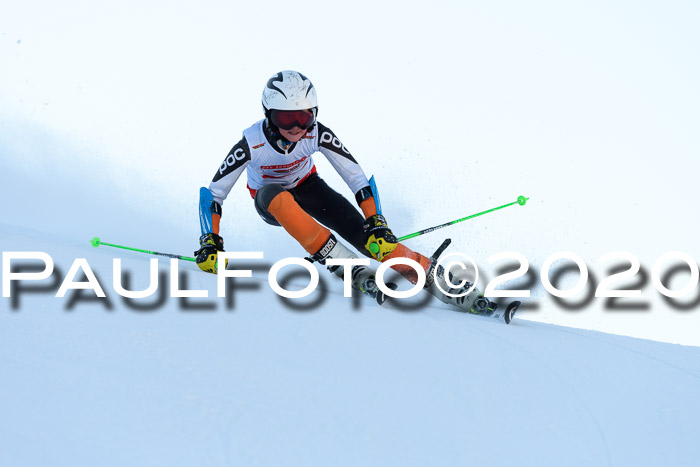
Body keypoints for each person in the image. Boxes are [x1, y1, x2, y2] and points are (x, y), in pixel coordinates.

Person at [194, 70, 495, 315]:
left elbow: (356, 177)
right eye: (287, 119)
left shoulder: (318, 133)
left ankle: (444, 284)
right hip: (269, 200)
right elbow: (214, 194)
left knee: (376, 244)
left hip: (309, 187)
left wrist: (377, 222)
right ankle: (342, 264)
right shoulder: (252, 142)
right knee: (275, 194)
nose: (298, 127)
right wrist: (211, 241)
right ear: (269, 115)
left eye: (305, 116)